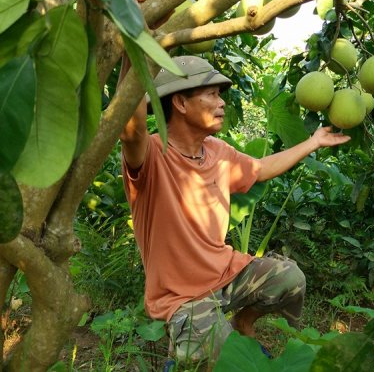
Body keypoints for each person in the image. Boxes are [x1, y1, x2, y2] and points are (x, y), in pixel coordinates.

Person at [118, 54, 350, 363]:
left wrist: (313, 142)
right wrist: (134, 48)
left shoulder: (217, 151)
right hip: (182, 297)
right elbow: (129, 130)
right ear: (181, 104)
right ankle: (189, 348)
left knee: (289, 279)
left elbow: (261, 168)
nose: (221, 102)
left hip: (225, 274)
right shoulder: (151, 156)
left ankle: (243, 322)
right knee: (228, 357)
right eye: (211, 94)